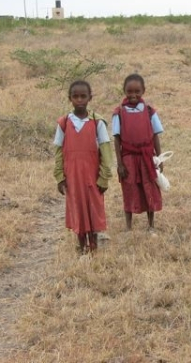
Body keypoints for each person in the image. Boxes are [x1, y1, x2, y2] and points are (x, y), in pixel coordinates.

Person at [53, 80, 113, 254]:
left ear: (90, 98)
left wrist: (104, 177)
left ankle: (93, 246)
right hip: (72, 177)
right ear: (69, 98)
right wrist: (60, 177)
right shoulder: (63, 123)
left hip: (92, 177)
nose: (79, 100)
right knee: (77, 208)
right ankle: (81, 247)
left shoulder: (97, 122)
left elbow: (106, 152)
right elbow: (58, 151)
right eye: (75, 96)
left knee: (93, 209)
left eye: (83, 96)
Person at [112, 74, 164, 233]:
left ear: (143, 91)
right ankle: (128, 227)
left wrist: (159, 158)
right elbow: (116, 138)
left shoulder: (149, 111)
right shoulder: (119, 113)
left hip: (147, 156)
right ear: (124, 91)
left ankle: (151, 225)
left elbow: (155, 136)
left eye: (137, 91)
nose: (133, 95)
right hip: (128, 157)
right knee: (129, 188)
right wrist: (119, 163)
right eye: (129, 91)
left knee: (150, 187)